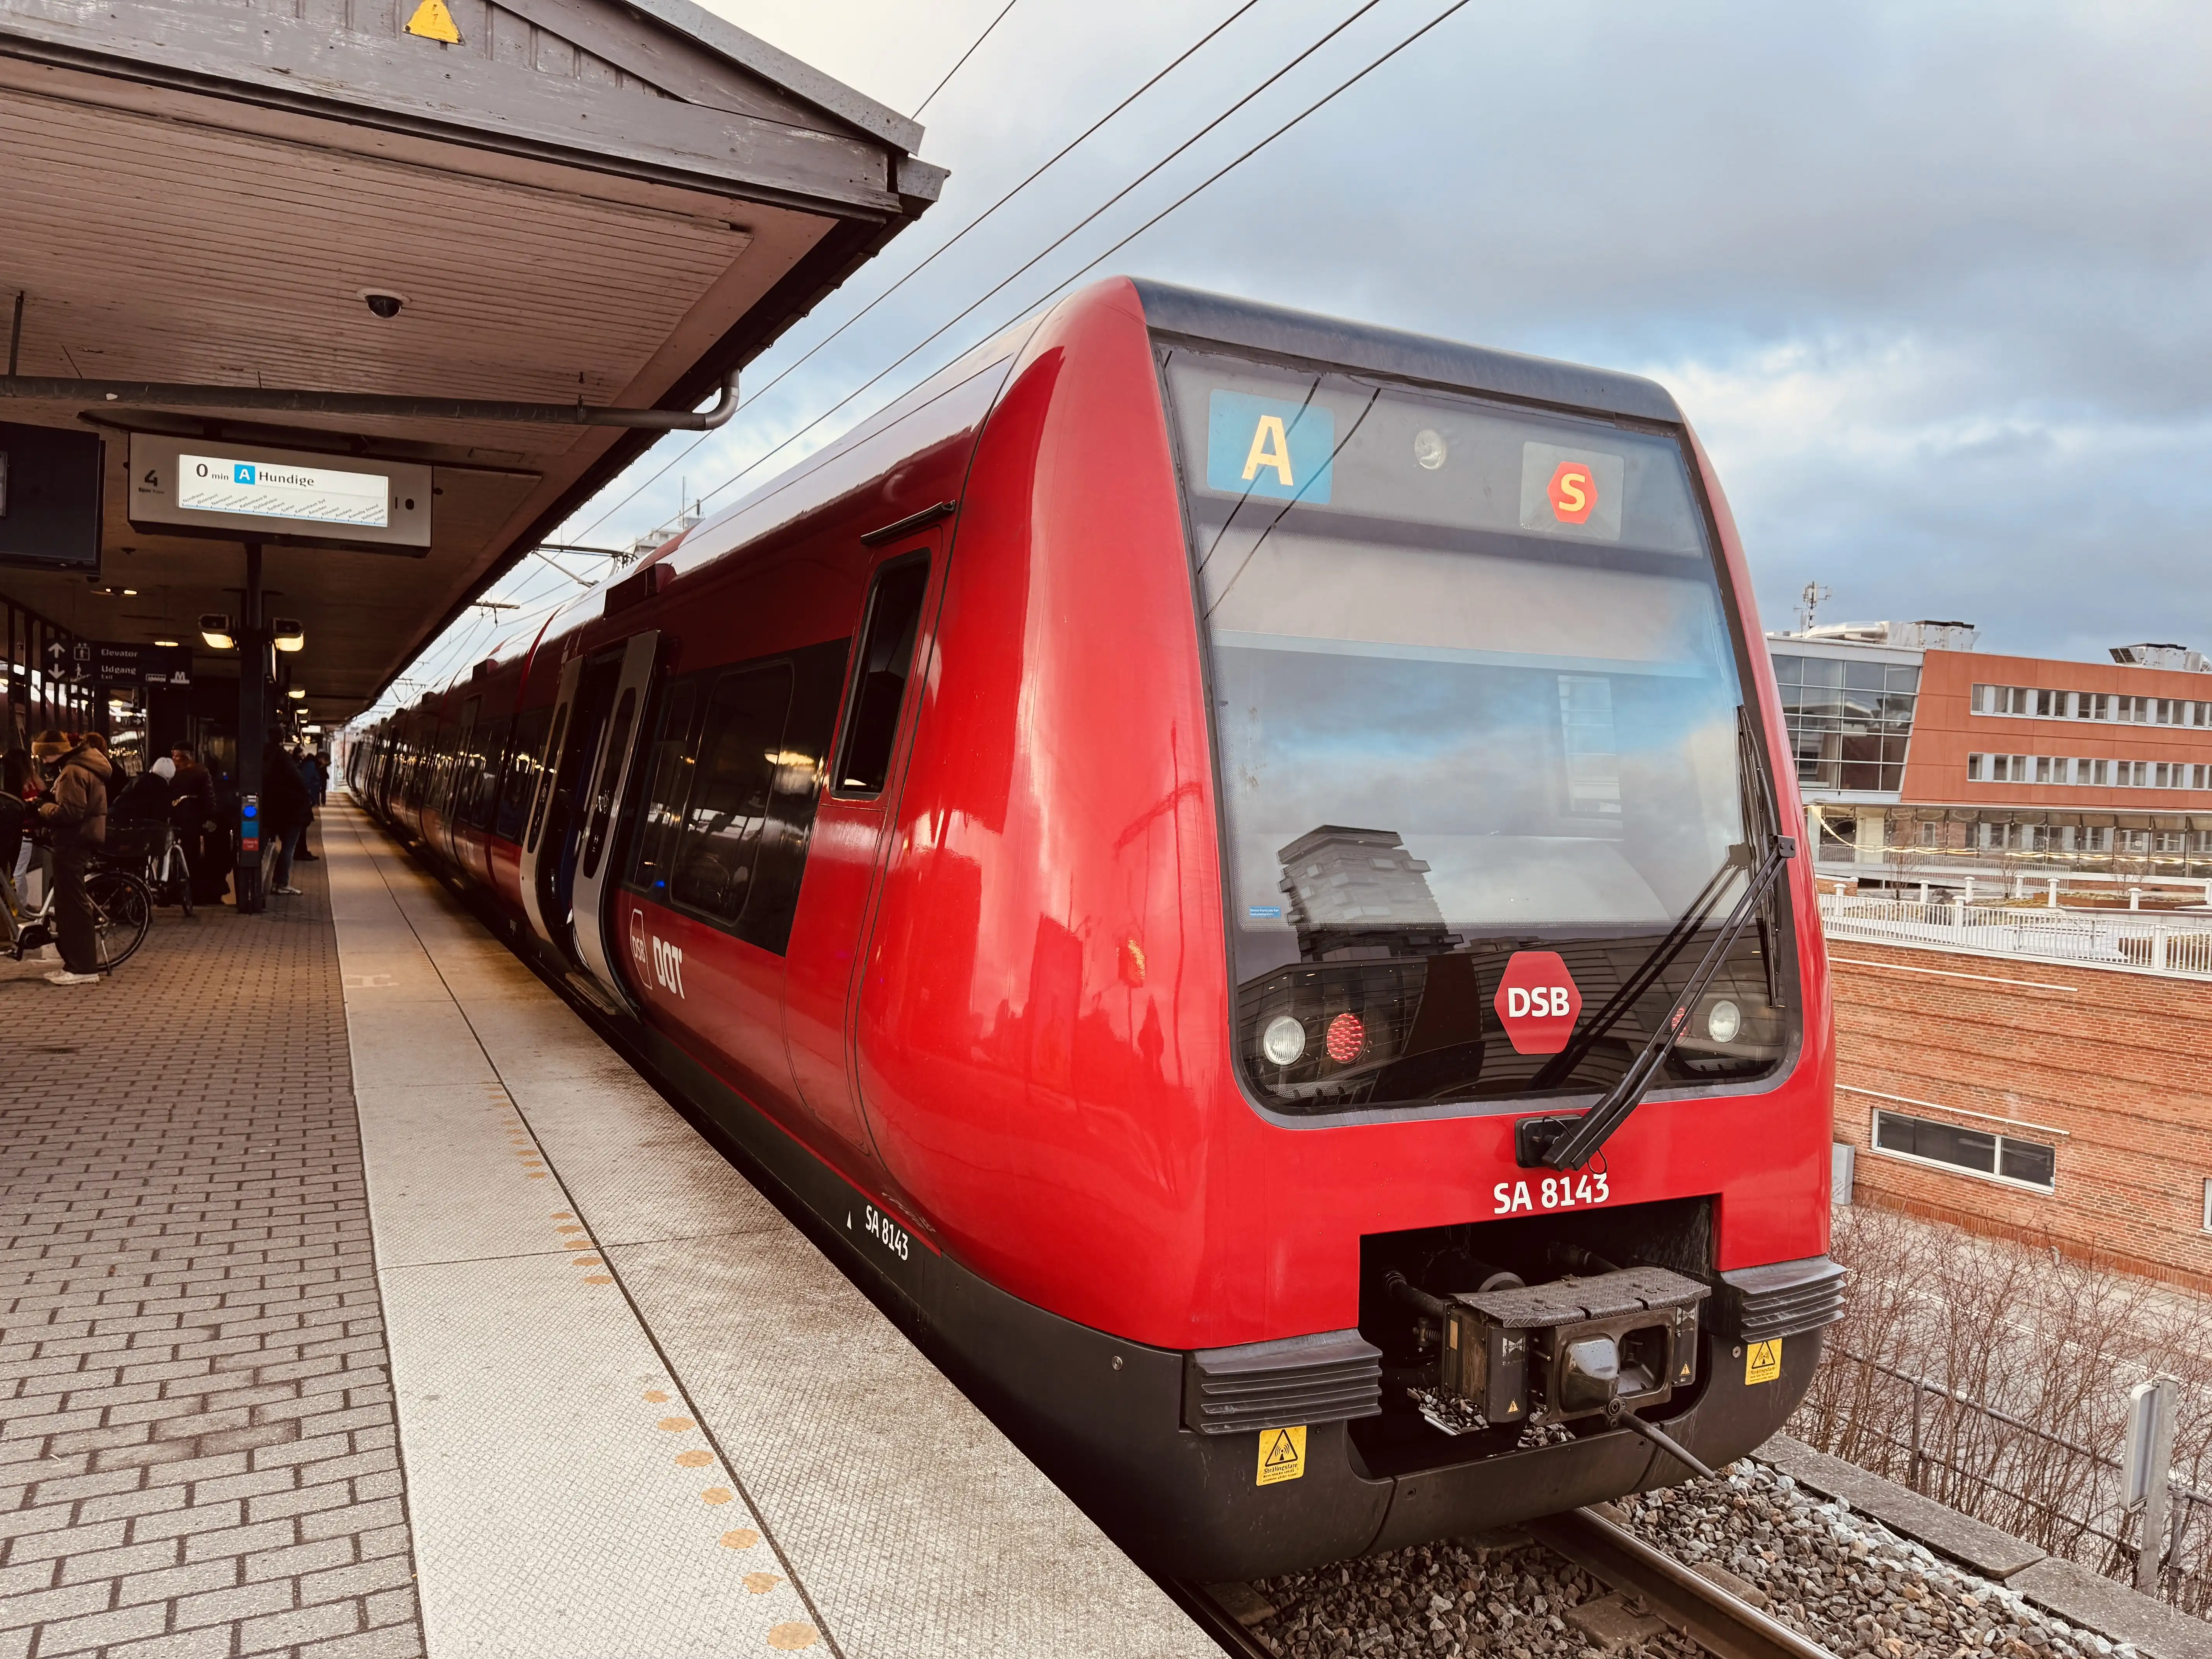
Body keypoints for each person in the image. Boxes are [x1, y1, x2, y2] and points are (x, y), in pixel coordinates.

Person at [35, 731, 111, 985]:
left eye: (45, 755)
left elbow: (69, 814)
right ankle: (75, 965)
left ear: (56, 752)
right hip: (81, 840)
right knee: (70, 903)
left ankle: (83, 968)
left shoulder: (72, 772)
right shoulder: (83, 766)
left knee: (73, 907)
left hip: (73, 841)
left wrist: (42, 808)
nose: (43, 761)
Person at [260, 729, 313, 896]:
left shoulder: (261, 756)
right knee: (288, 848)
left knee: (260, 846)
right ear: (282, 738)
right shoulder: (282, 757)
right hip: (291, 811)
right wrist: (307, 801)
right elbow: (299, 782)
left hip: (268, 810)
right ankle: (281, 883)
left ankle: (256, 883)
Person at [170, 746, 223, 904]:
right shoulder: (200, 771)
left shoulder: (175, 772)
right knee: (192, 856)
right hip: (191, 819)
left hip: (182, 819)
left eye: (178, 756)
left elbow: (209, 796)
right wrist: (210, 817)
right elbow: (209, 796)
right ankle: (193, 893)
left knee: (183, 855)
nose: (176, 759)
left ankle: (181, 892)